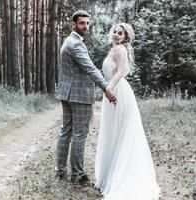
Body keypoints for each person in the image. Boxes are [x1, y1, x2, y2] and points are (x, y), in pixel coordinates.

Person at [95, 23, 161, 199]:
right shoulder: (113, 49)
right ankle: (110, 172)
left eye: (120, 33)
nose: (116, 34)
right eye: (115, 32)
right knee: (113, 132)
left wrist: (109, 88)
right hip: (111, 90)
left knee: (121, 131)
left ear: (125, 37)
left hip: (117, 91)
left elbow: (121, 71)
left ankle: (122, 174)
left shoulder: (120, 50)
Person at [56, 10, 116, 185]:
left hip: (67, 93)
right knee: (79, 134)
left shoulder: (69, 41)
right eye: (82, 23)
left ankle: (60, 171)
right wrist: (107, 88)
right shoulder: (76, 44)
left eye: (88, 23)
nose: (86, 26)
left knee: (65, 132)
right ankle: (78, 174)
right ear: (73, 24)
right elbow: (90, 68)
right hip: (79, 95)